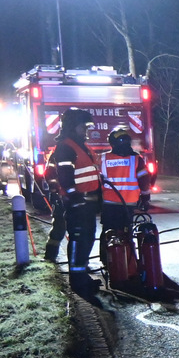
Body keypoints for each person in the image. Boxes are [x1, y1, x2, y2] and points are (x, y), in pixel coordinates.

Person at [48, 108, 105, 305]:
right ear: (74, 126)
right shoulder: (66, 147)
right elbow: (65, 176)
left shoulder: (80, 145)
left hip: (87, 203)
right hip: (78, 205)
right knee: (79, 240)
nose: (87, 130)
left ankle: (82, 274)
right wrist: (74, 197)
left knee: (87, 240)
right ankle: (77, 279)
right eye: (84, 126)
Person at [99, 124, 151, 240]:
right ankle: (127, 257)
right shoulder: (136, 159)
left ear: (112, 143)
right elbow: (144, 181)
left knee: (108, 233)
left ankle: (106, 257)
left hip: (109, 204)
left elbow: (96, 181)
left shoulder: (102, 158)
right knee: (126, 235)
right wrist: (146, 198)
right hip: (129, 204)